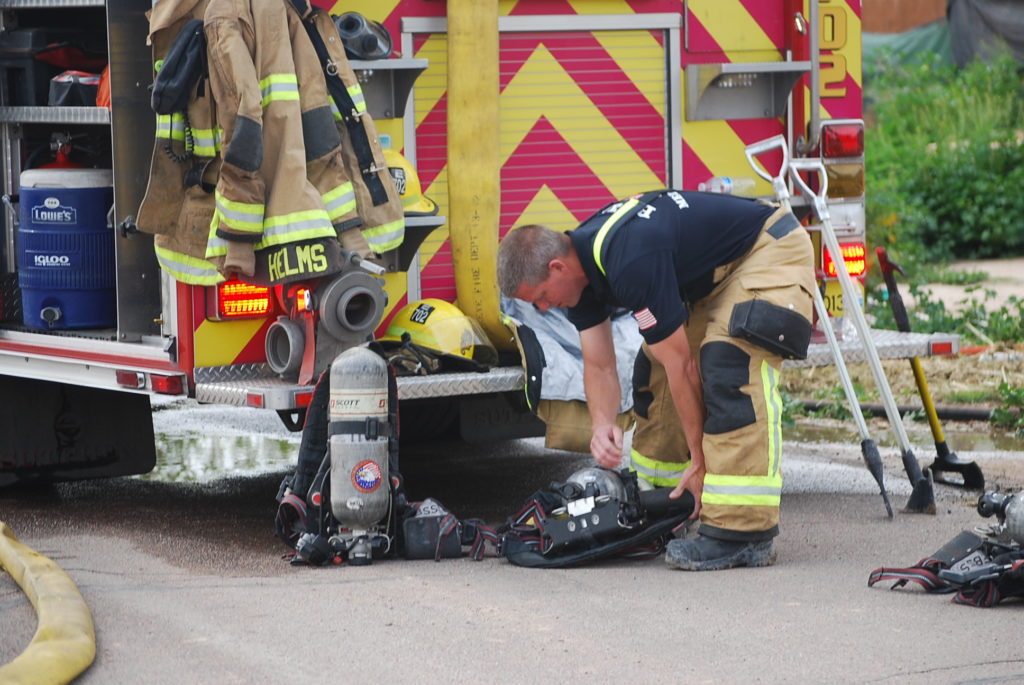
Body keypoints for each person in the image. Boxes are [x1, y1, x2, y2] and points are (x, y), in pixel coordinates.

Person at [497, 190, 816, 571]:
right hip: (716, 275)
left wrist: (699, 459)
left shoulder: (629, 259)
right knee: (655, 369)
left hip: (768, 248)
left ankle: (742, 533)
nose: (544, 308)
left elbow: (684, 366)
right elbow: (599, 365)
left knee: (730, 362)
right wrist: (602, 424)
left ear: (557, 267)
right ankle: (668, 504)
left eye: (541, 297)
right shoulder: (581, 274)